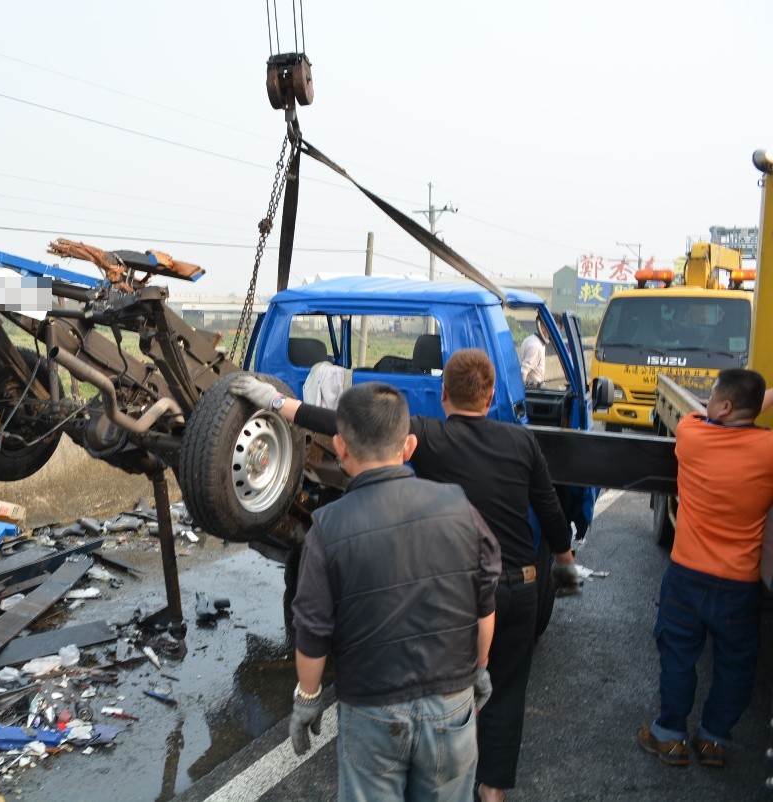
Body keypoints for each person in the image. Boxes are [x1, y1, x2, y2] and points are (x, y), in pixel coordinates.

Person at [232, 348, 579, 802]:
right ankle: (491, 792)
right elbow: (546, 511)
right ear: (491, 395)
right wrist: (564, 562)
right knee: (505, 694)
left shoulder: (427, 438)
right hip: (520, 587)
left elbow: (340, 421)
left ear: (443, 394)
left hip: (450, 612)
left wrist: (275, 402)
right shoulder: (518, 446)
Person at [287, 381, 501, 801]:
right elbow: (484, 599)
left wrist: (307, 697)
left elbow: (312, 629)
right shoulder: (459, 505)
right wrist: (479, 666)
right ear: (409, 446)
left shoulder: (327, 527)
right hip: (451, 704)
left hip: (371, 711)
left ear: (340, 446)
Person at [638, 368, 773, 769]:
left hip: (687, 577)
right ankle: (714, 740)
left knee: (678, 656)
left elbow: (704, 415)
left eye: (712, 396)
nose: (706, 402)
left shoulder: (693, 435)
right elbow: (745, 409)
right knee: (735, 664)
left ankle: (670, 736)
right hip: (740, 584)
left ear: (725, 406)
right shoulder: (768, 449)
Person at [518, 317, 549, 386]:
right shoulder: (536, 346)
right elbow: (524, 370)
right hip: (534, 389)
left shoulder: (530, 339)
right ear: (543, 326)